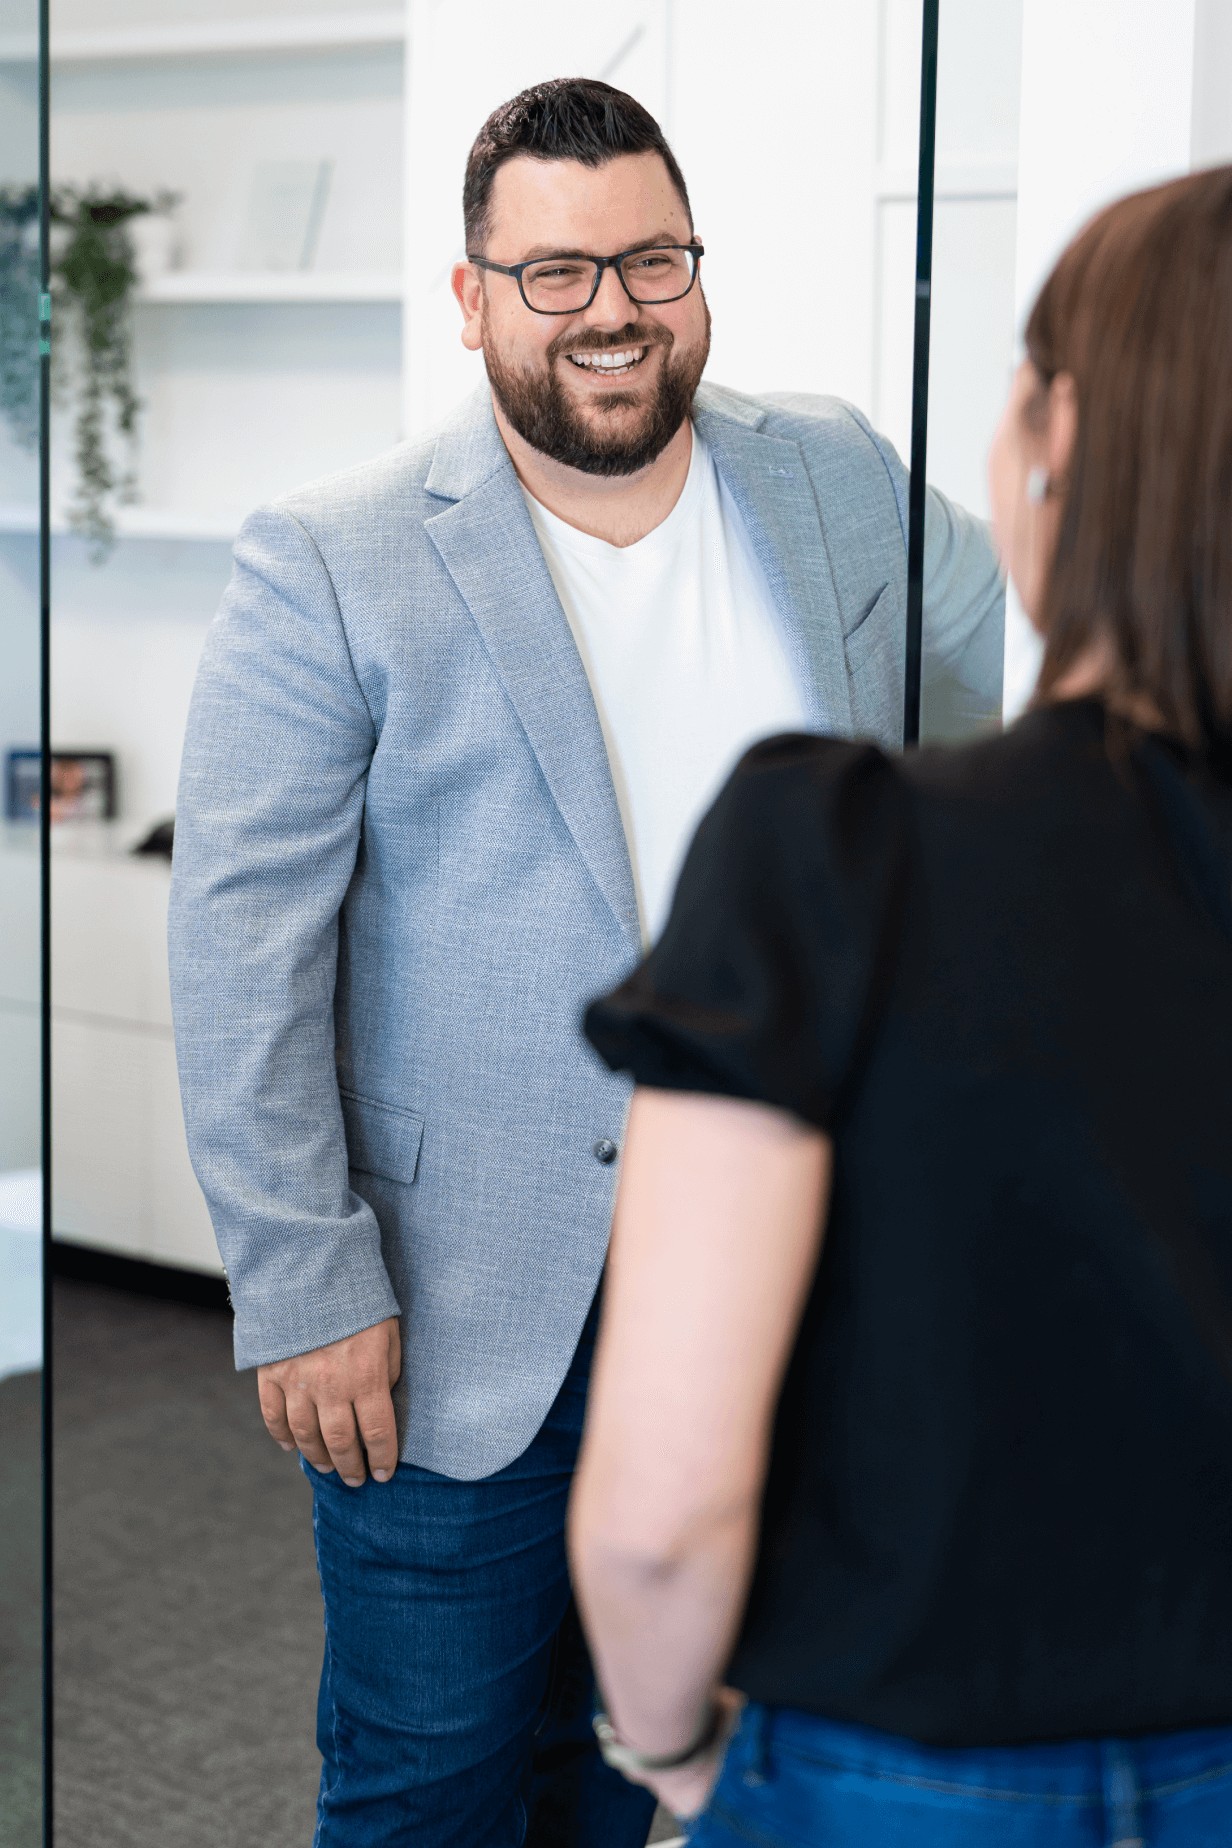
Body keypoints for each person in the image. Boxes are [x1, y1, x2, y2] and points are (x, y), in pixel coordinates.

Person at [168, 77, 1001, 1847]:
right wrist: (304, 1278)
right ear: (472, 297)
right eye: (554, 273)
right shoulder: (338, 557)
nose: (612, 307)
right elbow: (244, 951)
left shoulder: (836, 472)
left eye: (651, 259)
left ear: (697, 271)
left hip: (780, 1287)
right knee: (429, 1786)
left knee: (639, 1774)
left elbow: (1034, 683)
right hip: (458, 1302)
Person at [574, 164, 1232, 1846]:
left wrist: (671, 1756)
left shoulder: (836, 852)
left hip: (907, 1777)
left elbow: (659, 1510)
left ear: (1053, 441)